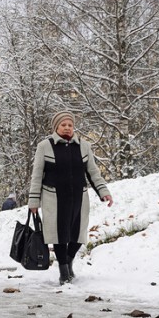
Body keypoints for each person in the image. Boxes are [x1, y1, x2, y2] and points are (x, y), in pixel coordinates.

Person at [28, 111, 113, 285]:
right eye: (63, 125)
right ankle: (64, 272)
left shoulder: (83, 146)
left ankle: (68, 259)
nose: (67, 128)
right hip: (54, 198)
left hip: (79, 198)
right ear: (56, 127)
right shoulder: (45, 146)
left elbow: (93, 172)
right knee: (60, 235)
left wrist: (104, 191)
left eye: (70, 125)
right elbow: (37, 175)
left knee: (78, 234)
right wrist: (34, 201)